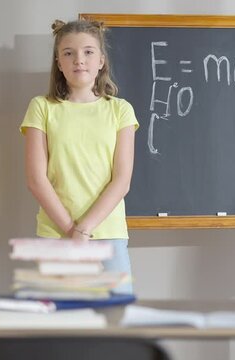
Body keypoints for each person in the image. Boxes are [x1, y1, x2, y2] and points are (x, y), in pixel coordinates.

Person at [20, 19, 138, 294]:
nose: (79, 60)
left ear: (101, 61)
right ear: (59, 62)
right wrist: (71, 232)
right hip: (57, 235)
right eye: (68, 53)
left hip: (108, 234)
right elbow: (36, 179)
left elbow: (121, 181)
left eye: (88, 52)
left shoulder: (121, 111)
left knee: (114, 324)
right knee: (61, 326)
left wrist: (83, 230)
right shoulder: (41, 108)